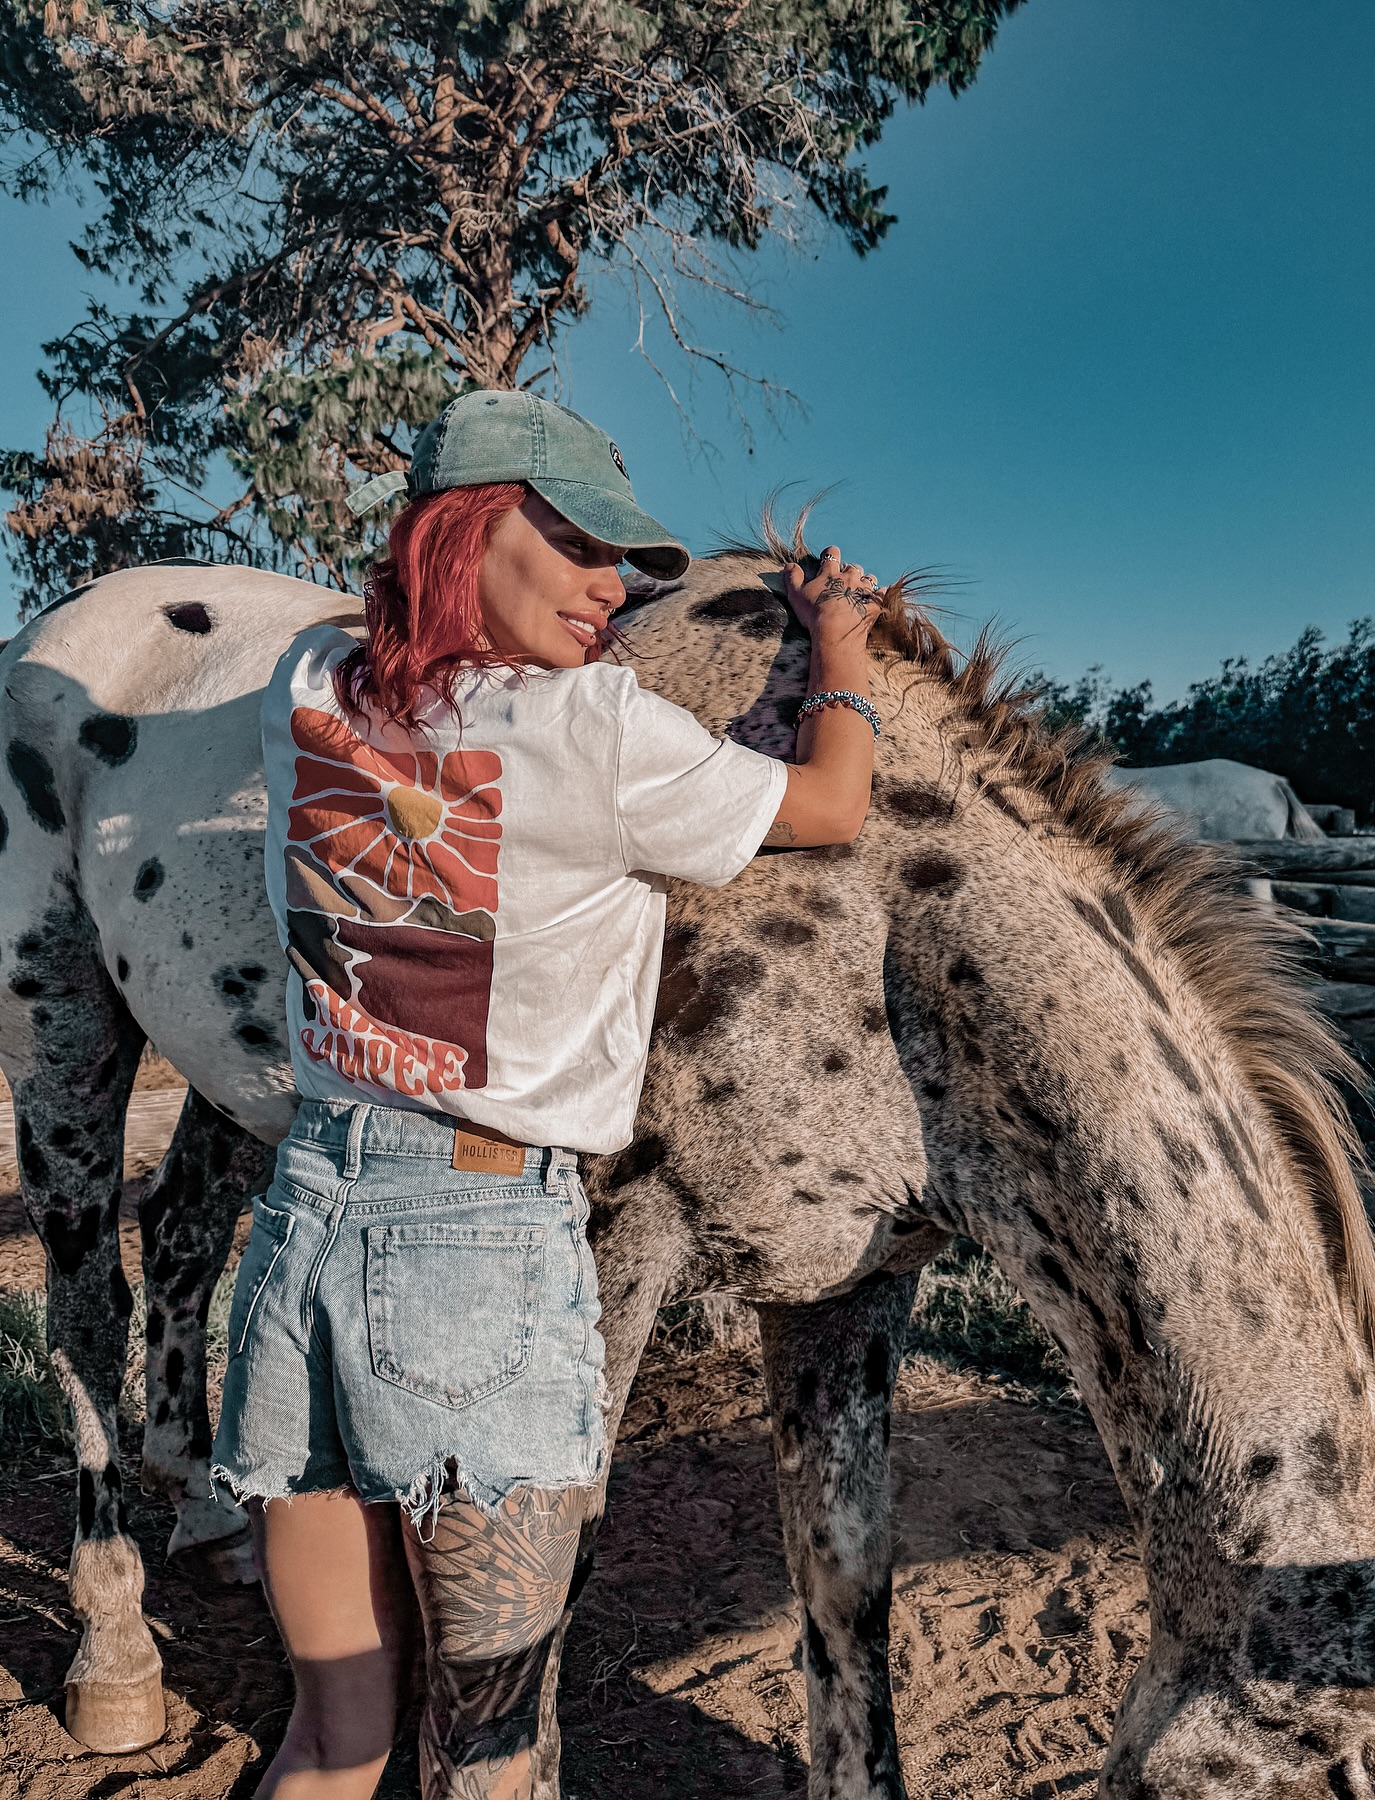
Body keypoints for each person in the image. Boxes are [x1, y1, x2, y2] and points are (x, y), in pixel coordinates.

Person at [211, 389, 887, 1800]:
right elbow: (828, 807)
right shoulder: (594, 731)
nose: (610, 592)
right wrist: (839, 648)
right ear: (465, 529)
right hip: (476, 1251)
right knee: (492, 1754)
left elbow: (380, 629)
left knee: (334, 1736)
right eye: (575, 540)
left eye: (626, 564)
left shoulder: (307, 690)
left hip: (303, 1229)